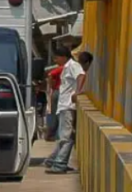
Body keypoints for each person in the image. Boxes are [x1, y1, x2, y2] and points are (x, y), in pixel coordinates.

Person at [45, 46, 85, 174]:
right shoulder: (66, 67)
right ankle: (55, 160)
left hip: (67, 106)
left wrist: (77, 92)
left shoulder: (73, 65)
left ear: (63, 56)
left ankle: (59, 164)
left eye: (57, 57)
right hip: (64, 106)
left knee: (65, 137)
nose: (55, 60)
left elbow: (81, 76)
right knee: (66, 136)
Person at [46, 63, 64, 141]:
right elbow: (51, 74)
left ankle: (52, 135)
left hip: (58, 92)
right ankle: (51, 135)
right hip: (59, 92)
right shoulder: (63, 68)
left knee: (56, 114)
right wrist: (51, 86)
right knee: (57, 115)